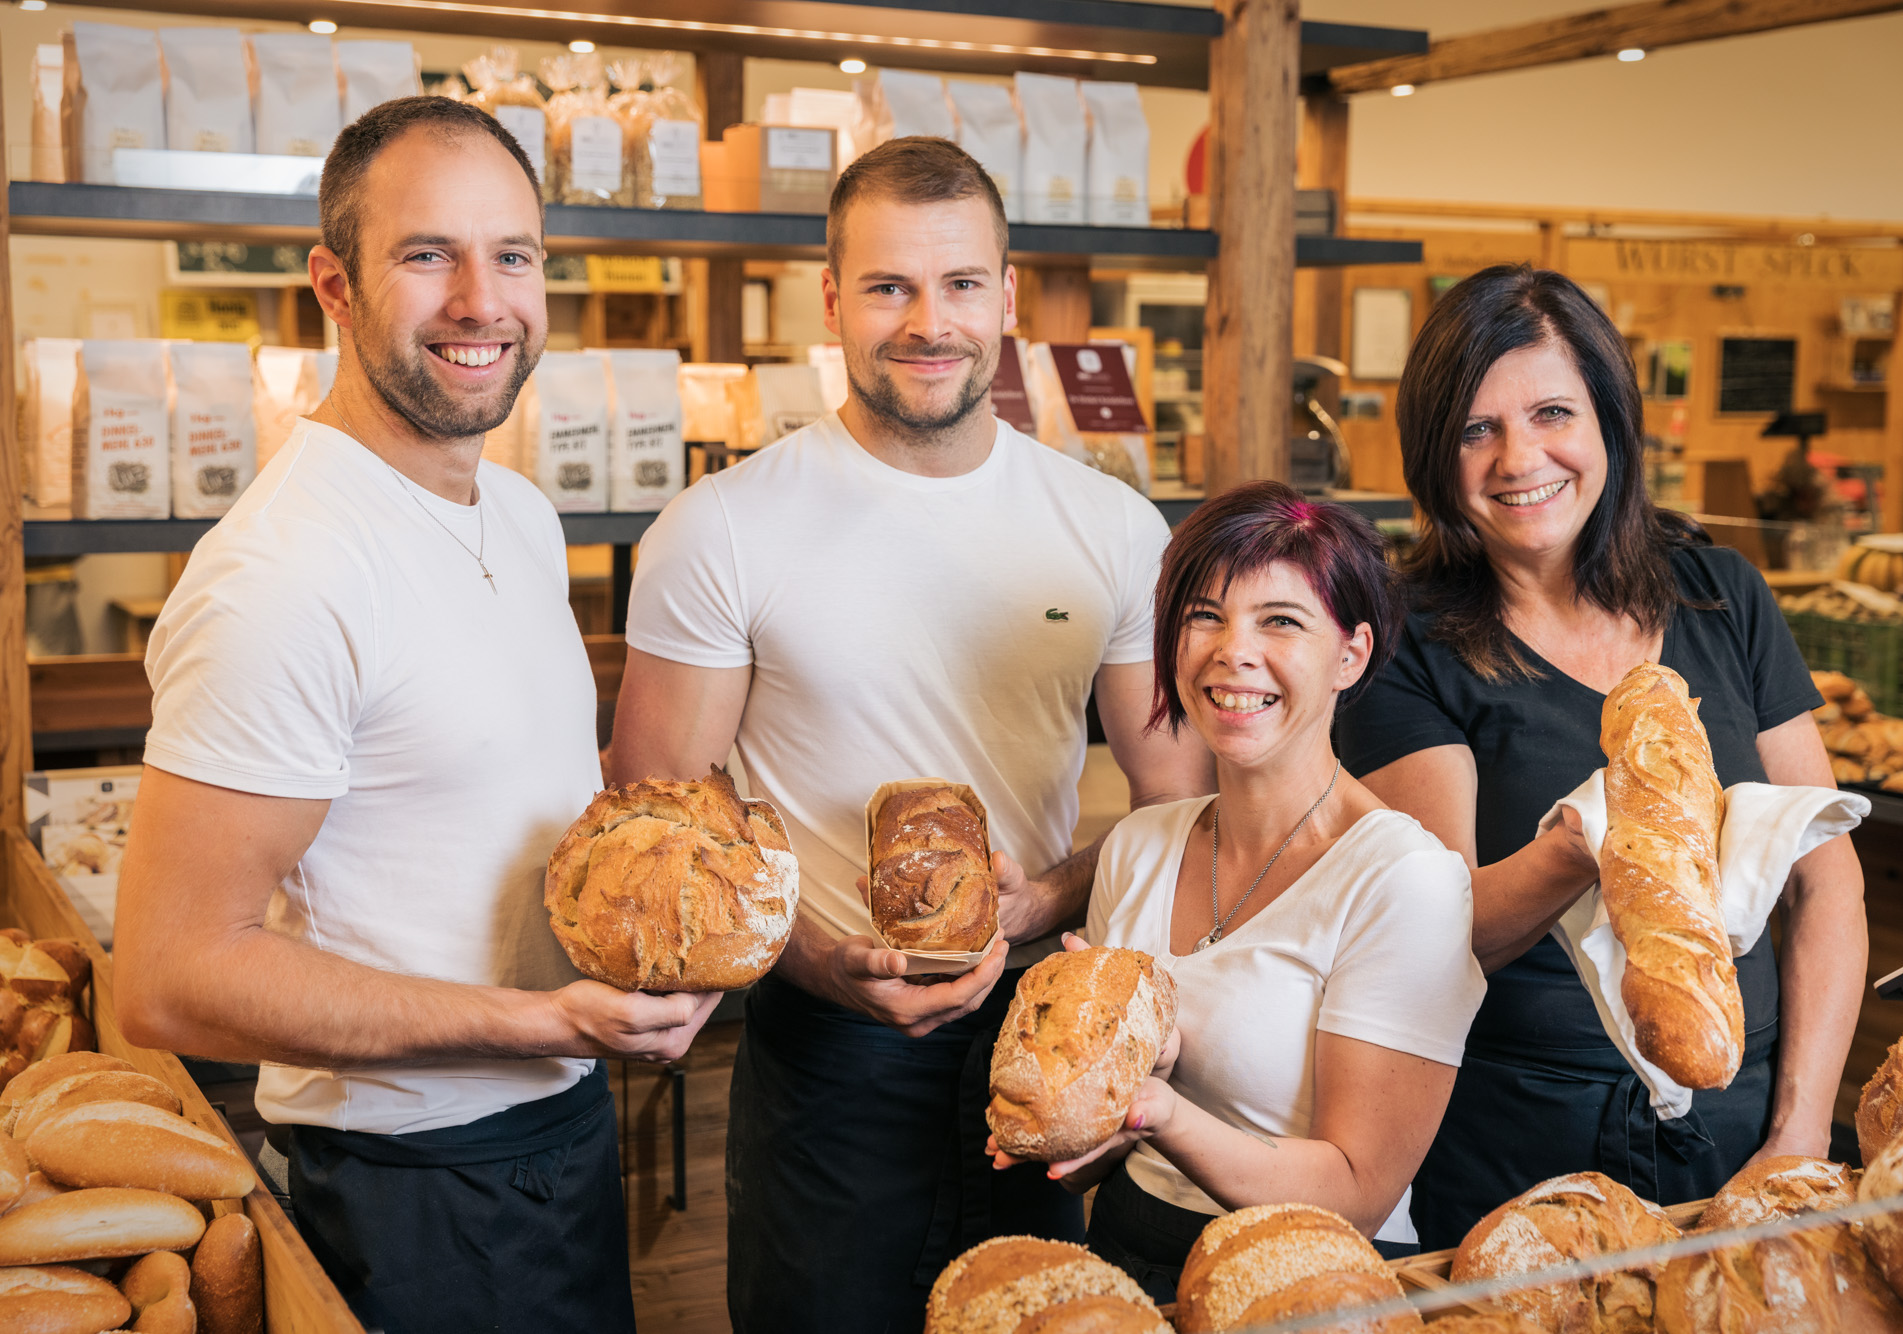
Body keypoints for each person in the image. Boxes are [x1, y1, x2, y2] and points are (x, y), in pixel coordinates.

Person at [115, 97, 720, 1333]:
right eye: (427, 255)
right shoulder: (284, 575)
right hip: (409, 1179)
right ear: (333, 286)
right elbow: (171, 976)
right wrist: (535, 1019)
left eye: (513, 255)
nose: (480, 301)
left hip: (557, 1115)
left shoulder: (516, 511)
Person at [607, 135, 1214, 1334]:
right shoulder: (722, 528)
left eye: (958, 284)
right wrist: (813, 956)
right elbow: (659, 828)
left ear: (1005, 291)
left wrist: (1040, 901)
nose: (926, 322)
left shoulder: (1108, 526)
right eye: (887, 286)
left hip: (1042, 1038)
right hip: (827, 1042)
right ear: (830, 297)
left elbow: (1181, 808)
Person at [1336, 264, 1867, 1250]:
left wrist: (1797, 1127)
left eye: (1549, 412)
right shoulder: (1408, 641)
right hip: (1522, 1139)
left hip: (1742, 1116)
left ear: (1609, 421)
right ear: (1433, 452)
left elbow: (1824, 878)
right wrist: (1578, 845)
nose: (1517, 457)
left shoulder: (1719, 593)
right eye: (1474, 428)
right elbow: (1436, 933)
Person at [989, 483, 1486, 1296]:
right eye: (1204, 616)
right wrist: (1076, 1113)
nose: (1232, 651)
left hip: (1306, 1277)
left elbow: (1359, 1191)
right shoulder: (1139, 847)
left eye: (1280, 621)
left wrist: (1158, 1110)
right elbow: (1097, 1164)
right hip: (1127, 1248)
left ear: (1351, 656)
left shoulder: (1404, 880)